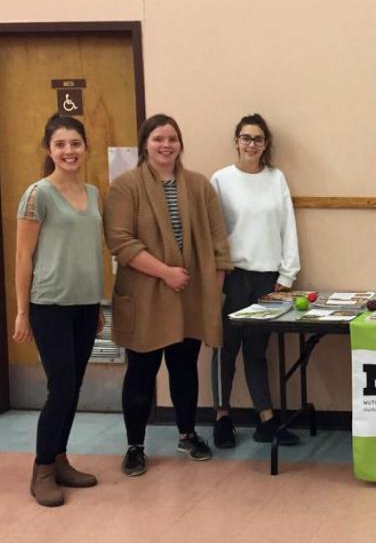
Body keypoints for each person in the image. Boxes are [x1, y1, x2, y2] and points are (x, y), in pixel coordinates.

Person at [104, 114, 231, 476]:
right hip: (145, 294)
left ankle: (188, 434)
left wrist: (212, 289)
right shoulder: (126, 187)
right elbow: (121, 242)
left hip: (190, 294)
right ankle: (135, 446)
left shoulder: (198, 185)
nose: (166, 145)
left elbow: (219, 241)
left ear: (180, 144)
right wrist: (166, 273)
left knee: (184, 369)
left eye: (172, 138)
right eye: (158, 138)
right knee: (141, 373)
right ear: (145, 143)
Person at [15, 115, 104, 506]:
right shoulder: (38, 194)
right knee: (61, 388)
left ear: (86, 147)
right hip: (49, 305)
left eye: (75, 144)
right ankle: (43, 470)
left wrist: (98, 303)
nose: (69, 151)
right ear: (49, 149)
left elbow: (91, 253)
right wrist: (22, 312)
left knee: (73, 389)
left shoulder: (94, 193)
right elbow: (23, 256)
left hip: (85, 305)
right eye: (61, 144)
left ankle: (61, 458)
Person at [209, 113, 300, 448]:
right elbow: (212, 232)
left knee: (257, 351)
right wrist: (215, 276)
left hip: (267, 279)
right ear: (236, 141)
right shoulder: (220, 180)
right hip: (231, 277)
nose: (251, 144)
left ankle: (266, 419)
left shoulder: (276, 178)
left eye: (258, 139)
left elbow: (287, 226)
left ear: (266, 145)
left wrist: (287, 273)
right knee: (225, 348)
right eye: (245, 138)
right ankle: (222, 417)